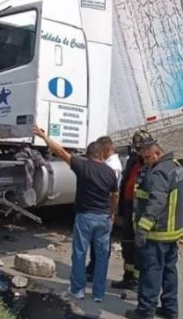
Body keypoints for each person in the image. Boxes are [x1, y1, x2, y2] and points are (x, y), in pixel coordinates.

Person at [32, 126, 118, 302]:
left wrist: (43, 136)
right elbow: (115, 195)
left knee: (79, 253)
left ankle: (77, 290)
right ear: (102, 155)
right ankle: (98, 294)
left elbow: (60, 151)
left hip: (85, 216)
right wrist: (112, 213)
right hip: (104, 218)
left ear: (88, 155)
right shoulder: (110, 172)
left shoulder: (83, 166)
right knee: (102, 256)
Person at [125, 138, 183, 319]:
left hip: (157, 232)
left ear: (158, 154)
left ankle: (145, 311)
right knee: (169, 270)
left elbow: (156, 202)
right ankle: (170, 308)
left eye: (148, 157)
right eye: (143, 158)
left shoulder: (158, 173)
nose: (145, 162)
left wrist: (142, 227)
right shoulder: (176, 167)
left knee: (151, 271)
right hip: (172, 231)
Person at [111, 130, 152, 292]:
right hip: (128, 206)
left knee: (139, 246)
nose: (139, 151)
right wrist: (119, 209)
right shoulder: (133, 160)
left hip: (140, 210)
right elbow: (125, 182)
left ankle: (137, 281)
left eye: (141, 148)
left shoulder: (151, 164)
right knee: (127, 243)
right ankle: (128, 277)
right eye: (137, 148)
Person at [86, 136, 123, 283]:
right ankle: (92, 268)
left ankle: (97, 272)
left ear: (107, 149)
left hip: (104, 209)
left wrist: (111, 212)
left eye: (101, 151)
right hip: (101, 208)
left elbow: (111, 191)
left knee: (101, 244)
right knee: (96, 243)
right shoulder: (108, 163)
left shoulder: (113, 166)